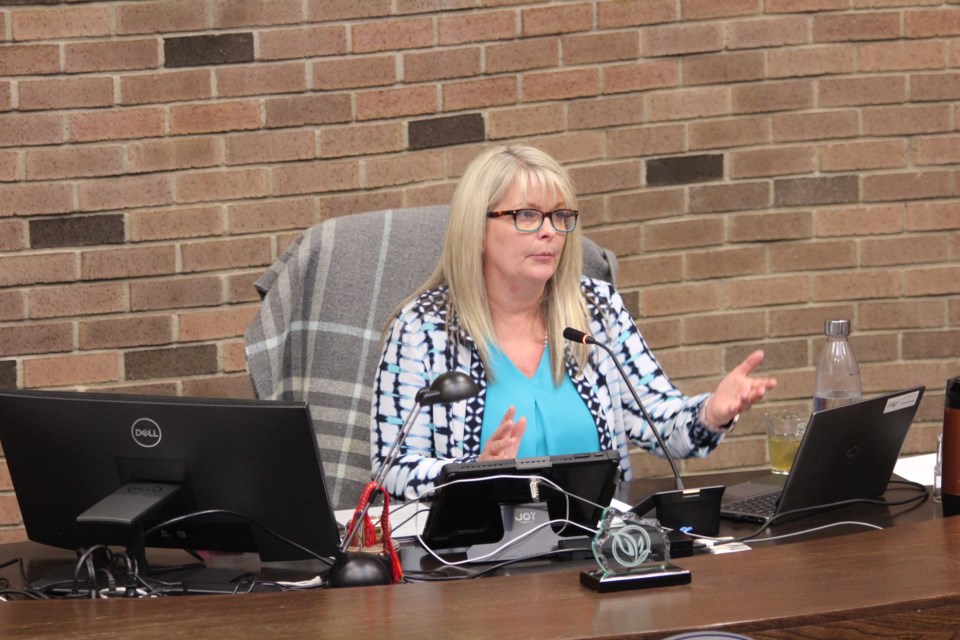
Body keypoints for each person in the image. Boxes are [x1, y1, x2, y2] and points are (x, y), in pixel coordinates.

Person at [370, 145, 777, 501]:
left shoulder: (596, 309)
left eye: (560, 216)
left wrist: (712, 412)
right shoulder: (422, 328)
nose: (549, 232)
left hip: (595, 547)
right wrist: (474, 472)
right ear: (477, 229)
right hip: (477, 556)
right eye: (527, 215)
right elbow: (392, 469)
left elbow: (659, 423)